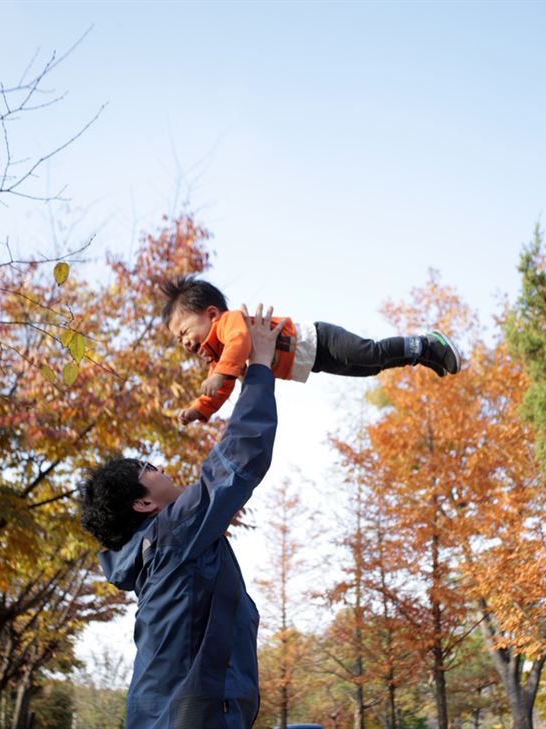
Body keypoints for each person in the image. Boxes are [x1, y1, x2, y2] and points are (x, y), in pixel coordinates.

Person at [79, 305, 282, 729]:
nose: (161, 469)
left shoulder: (161, 551)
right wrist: (260, 365)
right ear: (143, 504)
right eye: (148, 470)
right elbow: (239, 459)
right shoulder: (170, 536)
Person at [161, 276, 462, 424]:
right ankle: (420, 355)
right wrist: (200, 410)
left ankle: (426, 344)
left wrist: (220, 374)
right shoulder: (220, 361)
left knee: (371, 354)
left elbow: (239, 342)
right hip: (313, 361)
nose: (185, 343)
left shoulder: (230, 323)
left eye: (184, 332)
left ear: (211, 314)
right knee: (370, 368)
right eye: (179, 340)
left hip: (320, 339)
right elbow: (221, 389)